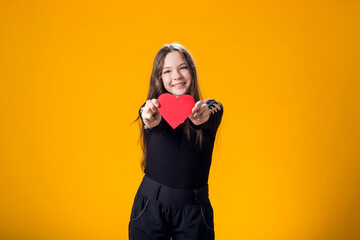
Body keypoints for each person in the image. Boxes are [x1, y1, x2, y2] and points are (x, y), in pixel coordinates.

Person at [129, 42, 223, 240]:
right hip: (150, 208)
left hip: (195, 213)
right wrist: (149, 119)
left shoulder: (211, 108)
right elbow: (146, 115)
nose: (176, 76)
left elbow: (213, 111)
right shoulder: (152, 109)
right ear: (160, 78)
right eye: (167, 71)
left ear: (192, 71)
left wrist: (201, 118)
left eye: (182, 68)